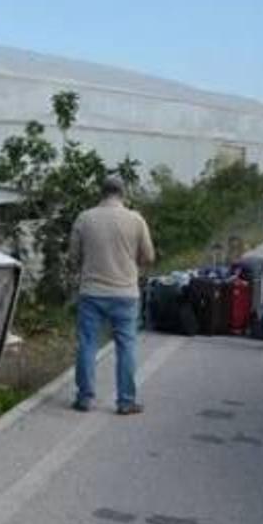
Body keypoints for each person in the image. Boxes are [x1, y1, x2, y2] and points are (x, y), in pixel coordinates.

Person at [69, 176, 156, 415]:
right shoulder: (136, 219)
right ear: (122, 194)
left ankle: (84, 398)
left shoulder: (84, 218)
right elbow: (148, 256)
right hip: (126, 293)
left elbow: (73, 257)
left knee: (87, 344)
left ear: (102, 193)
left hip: (92, 293)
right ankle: (126, 401)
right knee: (126, 347)